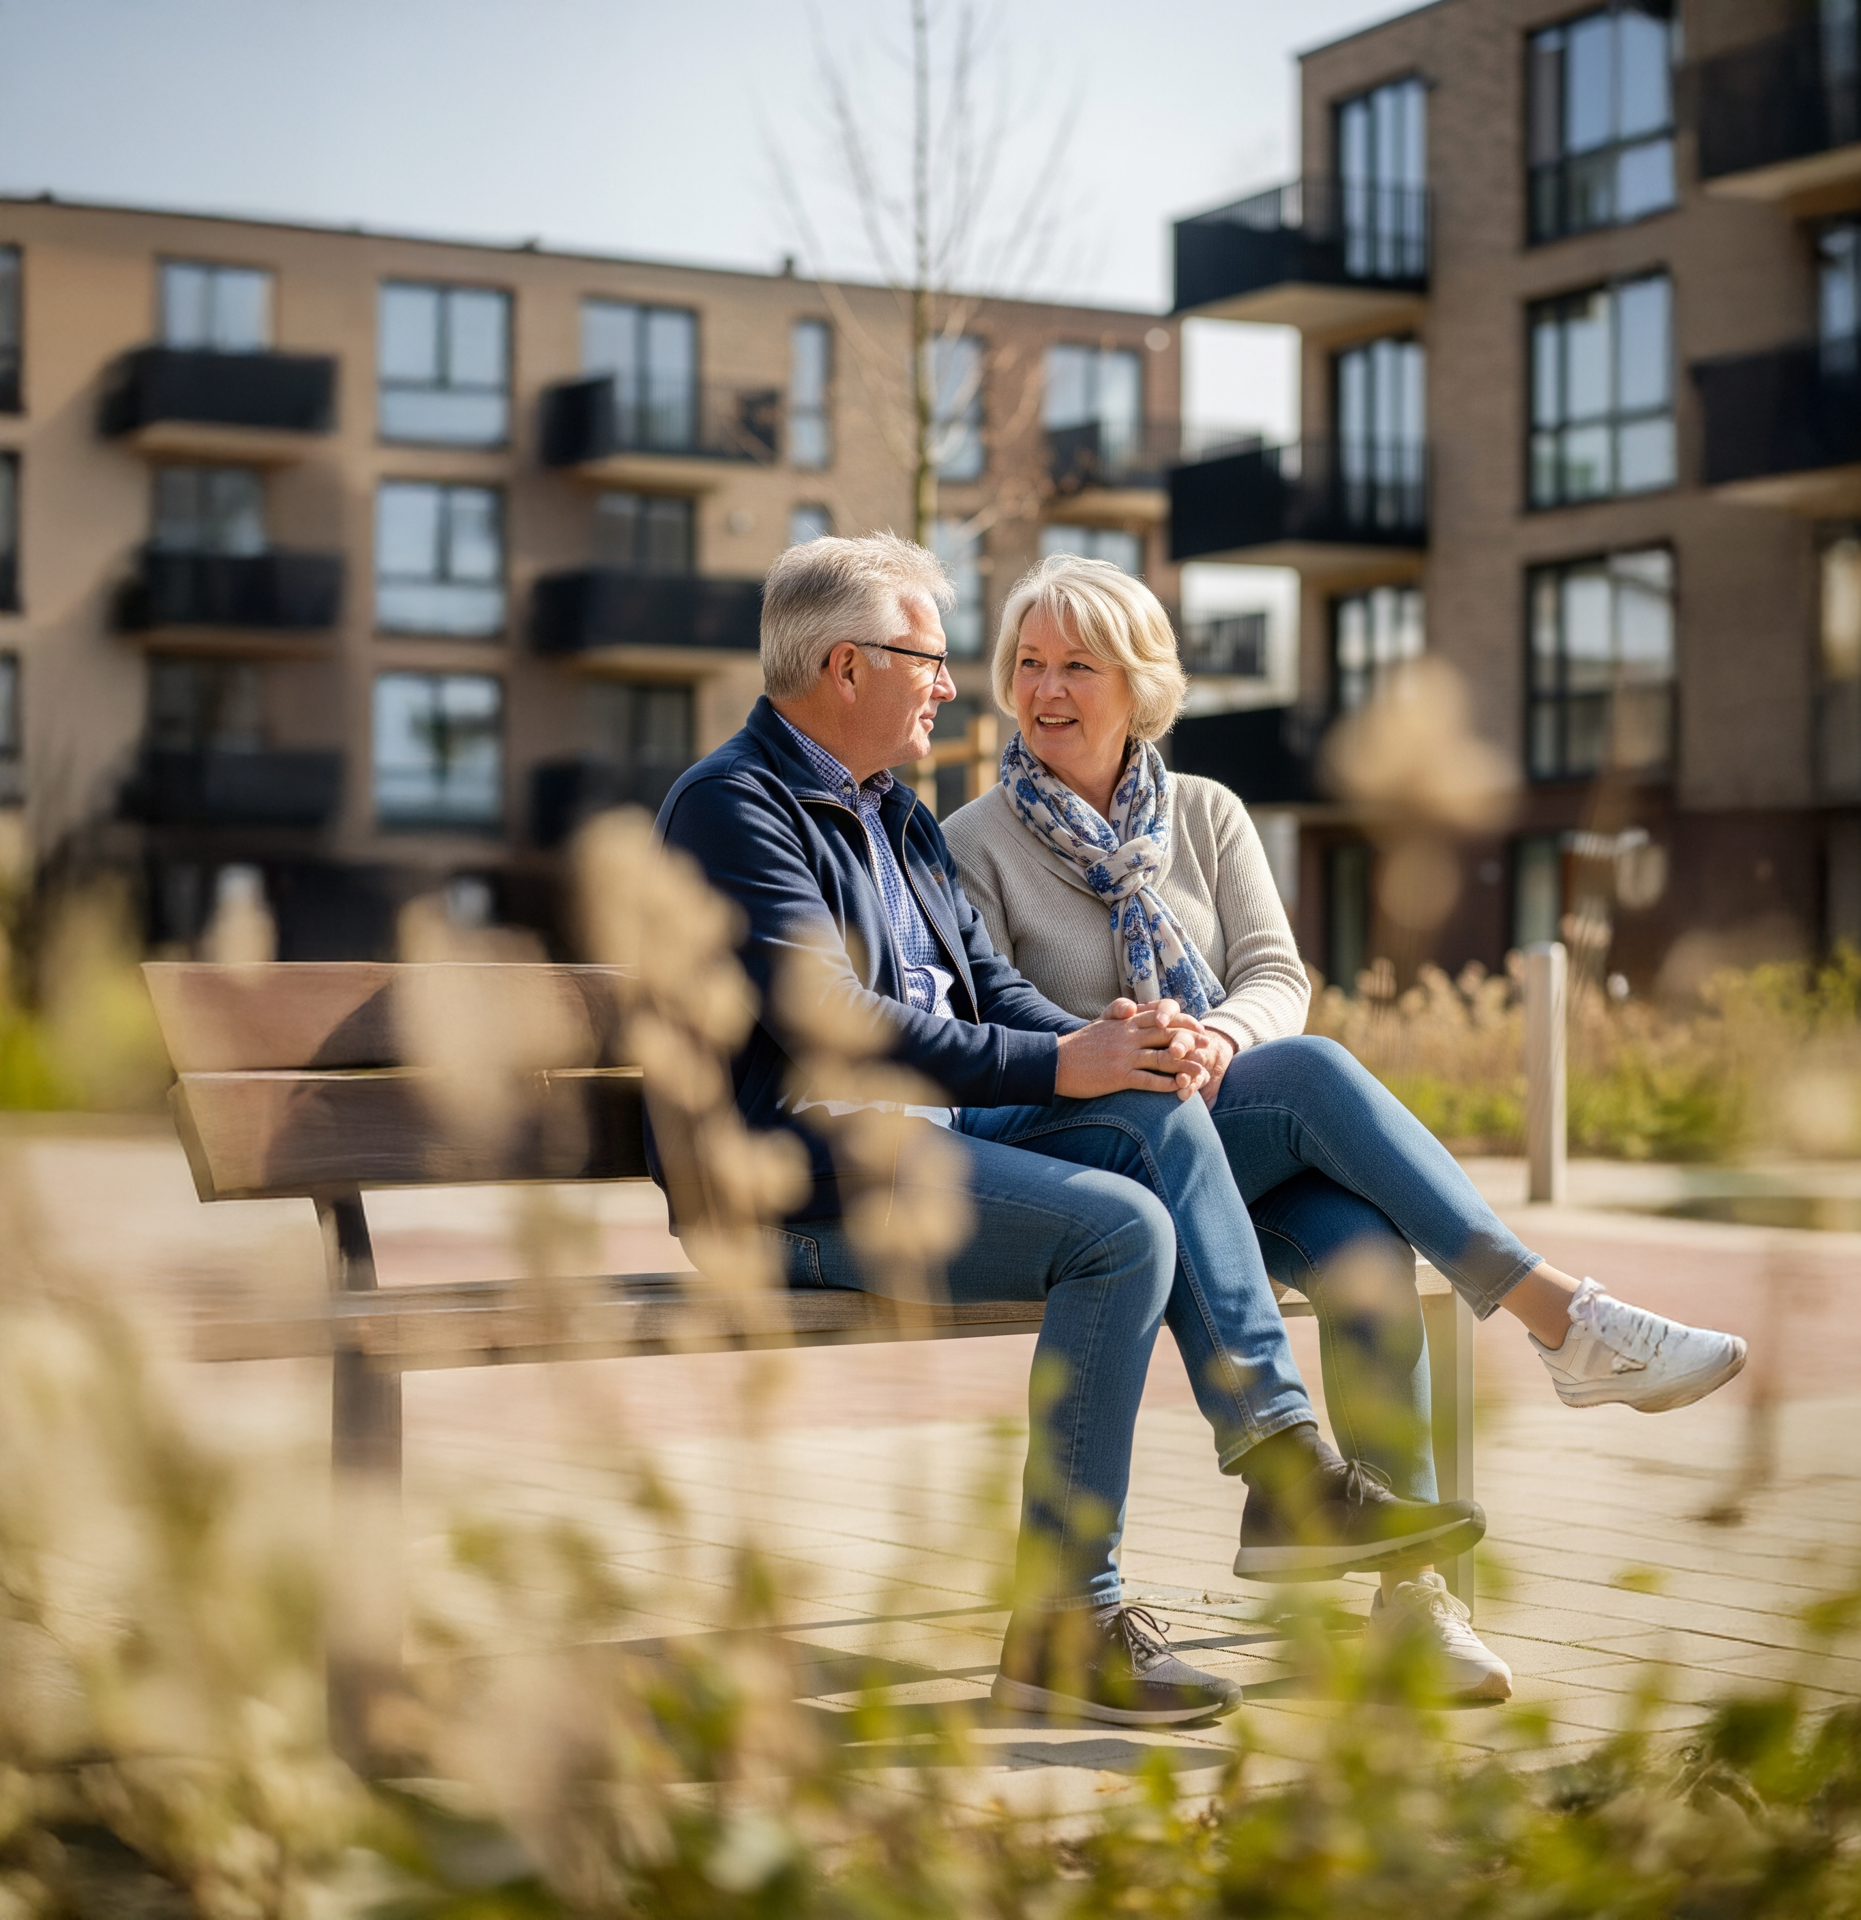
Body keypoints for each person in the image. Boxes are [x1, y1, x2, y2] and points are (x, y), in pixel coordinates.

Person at [650, 532, 1486, 1730]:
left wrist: (1120, 1045)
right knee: (1117, 1232)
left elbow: (993, 992)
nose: (953, 686)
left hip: (932, 1150)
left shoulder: (895, 816)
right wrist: (1059, 1063)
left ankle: (1278, 1478)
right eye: (930, 659)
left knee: (1149, 1111)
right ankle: (1077, 1619)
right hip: (797, 1185)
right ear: (847, 665)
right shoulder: (735, 806)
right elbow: (826, 1017)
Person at [942, 551, 1750, 1702]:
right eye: (1027, 663)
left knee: (1364, 1250)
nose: (1046, 690)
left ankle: (1410, 1604)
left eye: (1078, 664)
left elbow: (1276, 975)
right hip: (1078, 1152)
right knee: (1314, 1073)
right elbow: (986, 1036)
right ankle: (1561, 1320)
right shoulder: (970, 843)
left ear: (1139, 686)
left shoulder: (1205, 814)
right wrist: (1128, 1049)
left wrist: (1217, 1040)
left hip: (1209, 1124)